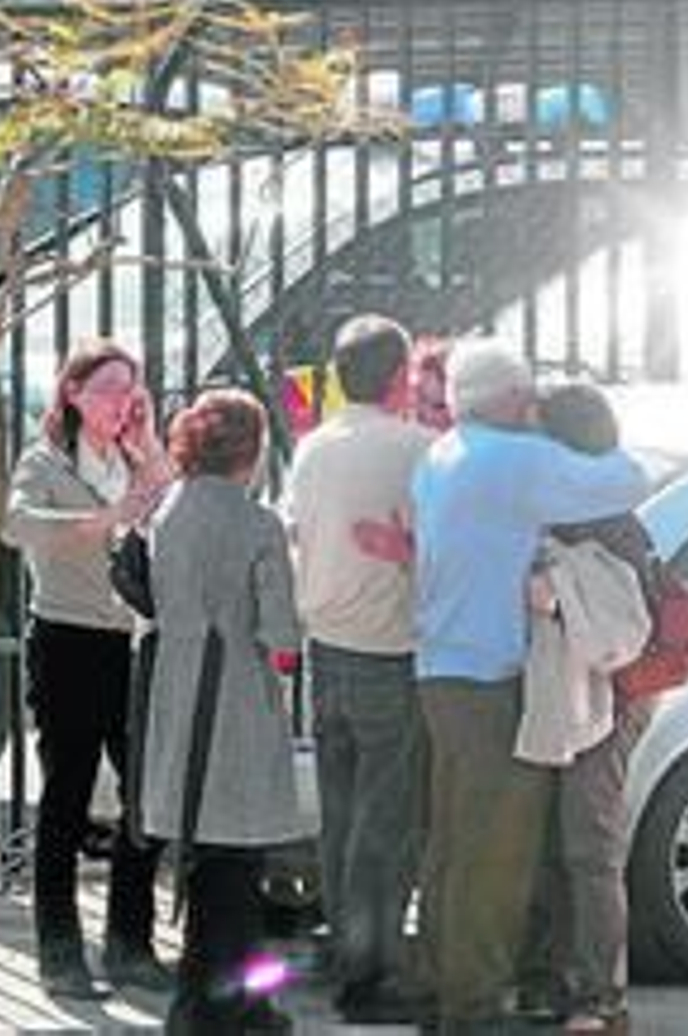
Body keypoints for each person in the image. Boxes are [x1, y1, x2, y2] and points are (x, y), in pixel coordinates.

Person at [409, 341, 649, 1034]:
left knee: (452, 843)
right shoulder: (514, 458)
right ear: (513, 399)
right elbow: (627, 478)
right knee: (498, 853)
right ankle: (474, 1009)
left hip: (441, 669)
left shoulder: (442, 453)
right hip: (493, 678)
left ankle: (442, 990)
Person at [2, 338, 171, 998]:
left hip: (131, 642)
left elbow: (170, 501)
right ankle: (60, 950)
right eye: (106, 388)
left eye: (129, 389)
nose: (119, 402)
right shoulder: (44, 460)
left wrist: (148, 440)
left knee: (146, 796)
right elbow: (16, 524)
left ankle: (130, 941)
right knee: (66, 798)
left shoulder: (134, 457)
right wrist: (104, 520)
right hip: (69, 640)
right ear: (72, 392)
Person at [284, 315, 433, 1025]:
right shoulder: (417, 451)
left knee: (342, 816)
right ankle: (372, 974)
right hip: (388, 649)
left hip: (326, 649)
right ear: (401, 375)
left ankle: (349, 948)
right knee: (387, 822)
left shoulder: (314, 448)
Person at [139, 388, 303, 1034]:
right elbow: (282, 634)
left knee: (206, 866)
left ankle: (221, 1002)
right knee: (238, 870)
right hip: (236, 699)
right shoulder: (258, 524)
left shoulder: (169, 510)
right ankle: (222, 1006)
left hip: (177, 690)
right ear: (254, 450)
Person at [516, 382, 661, 1036]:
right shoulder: (570, 504)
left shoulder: (604, 512)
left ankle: (600, 999)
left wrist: (558, 594)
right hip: (572, 690)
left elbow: (624, 630)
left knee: (586, 840)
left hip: (615, 691)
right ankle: (550, 980)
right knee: (554, 838)